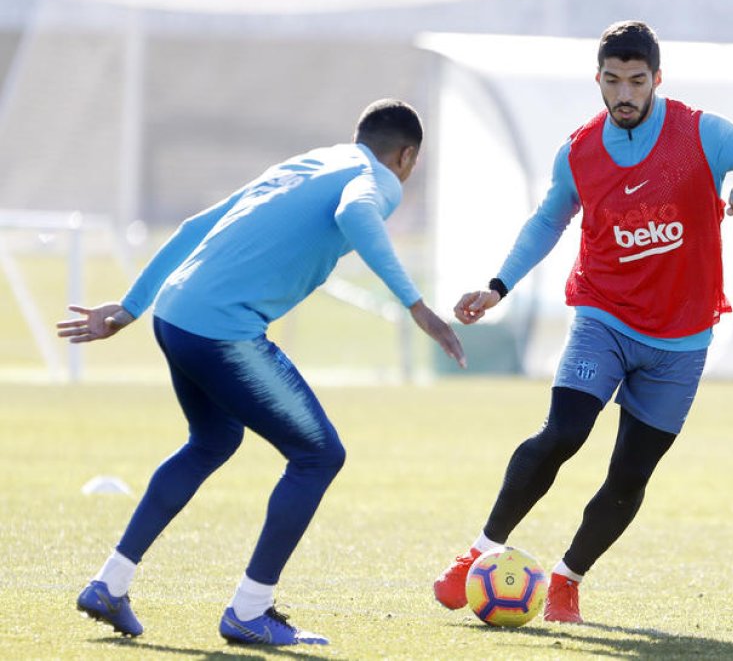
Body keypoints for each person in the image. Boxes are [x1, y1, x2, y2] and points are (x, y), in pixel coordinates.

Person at [432, 20, 733, 623]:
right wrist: (497, 286)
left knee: (631, 474)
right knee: (563, 434)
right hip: (603, 317)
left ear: (657, 78)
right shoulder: (579, 151)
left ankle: (566, 581)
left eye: (637, 81)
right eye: (613, 81)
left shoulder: (700, 132)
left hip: (682, 337)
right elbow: (548, 220)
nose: (624, 93)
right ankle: (478, 553)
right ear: (599, 80)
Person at [57, 99, 466, 645]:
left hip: (174, 315)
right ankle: (250, 611)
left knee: (212, 442)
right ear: (407, 156)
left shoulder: (312, 161)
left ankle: (110, 584)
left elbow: (196, 226)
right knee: (319, 456)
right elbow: (355, 213)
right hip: (221, 329)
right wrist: (418, 307)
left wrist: (131, 307)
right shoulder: (380, 179)